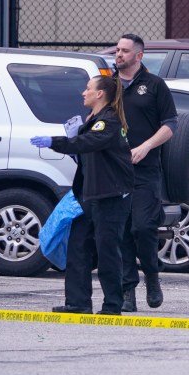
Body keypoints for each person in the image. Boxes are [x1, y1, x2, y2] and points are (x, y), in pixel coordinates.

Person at [32, 75, 134, 315]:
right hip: (90, 194)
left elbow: (89, 142)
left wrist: (56, 142)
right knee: (77, 245)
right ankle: (77, 303)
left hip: (111, 195)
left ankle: (112, 306)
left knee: (108, 250)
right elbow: (89, 153)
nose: (83, 93)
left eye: (88, 89)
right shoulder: (95, 120)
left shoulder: (108, 121)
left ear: (100, 94)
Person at [114, 33, 178, 312]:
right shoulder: (109, 84)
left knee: (142, 227)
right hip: (114, 171)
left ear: (138, 56)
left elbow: (171, 124)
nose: (119, 55)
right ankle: (128, 291)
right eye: (117, 49)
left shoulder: (154, 85)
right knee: (122, 232)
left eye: (125, 51)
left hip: (145, 170)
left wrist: (146, 147)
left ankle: (152, 275)